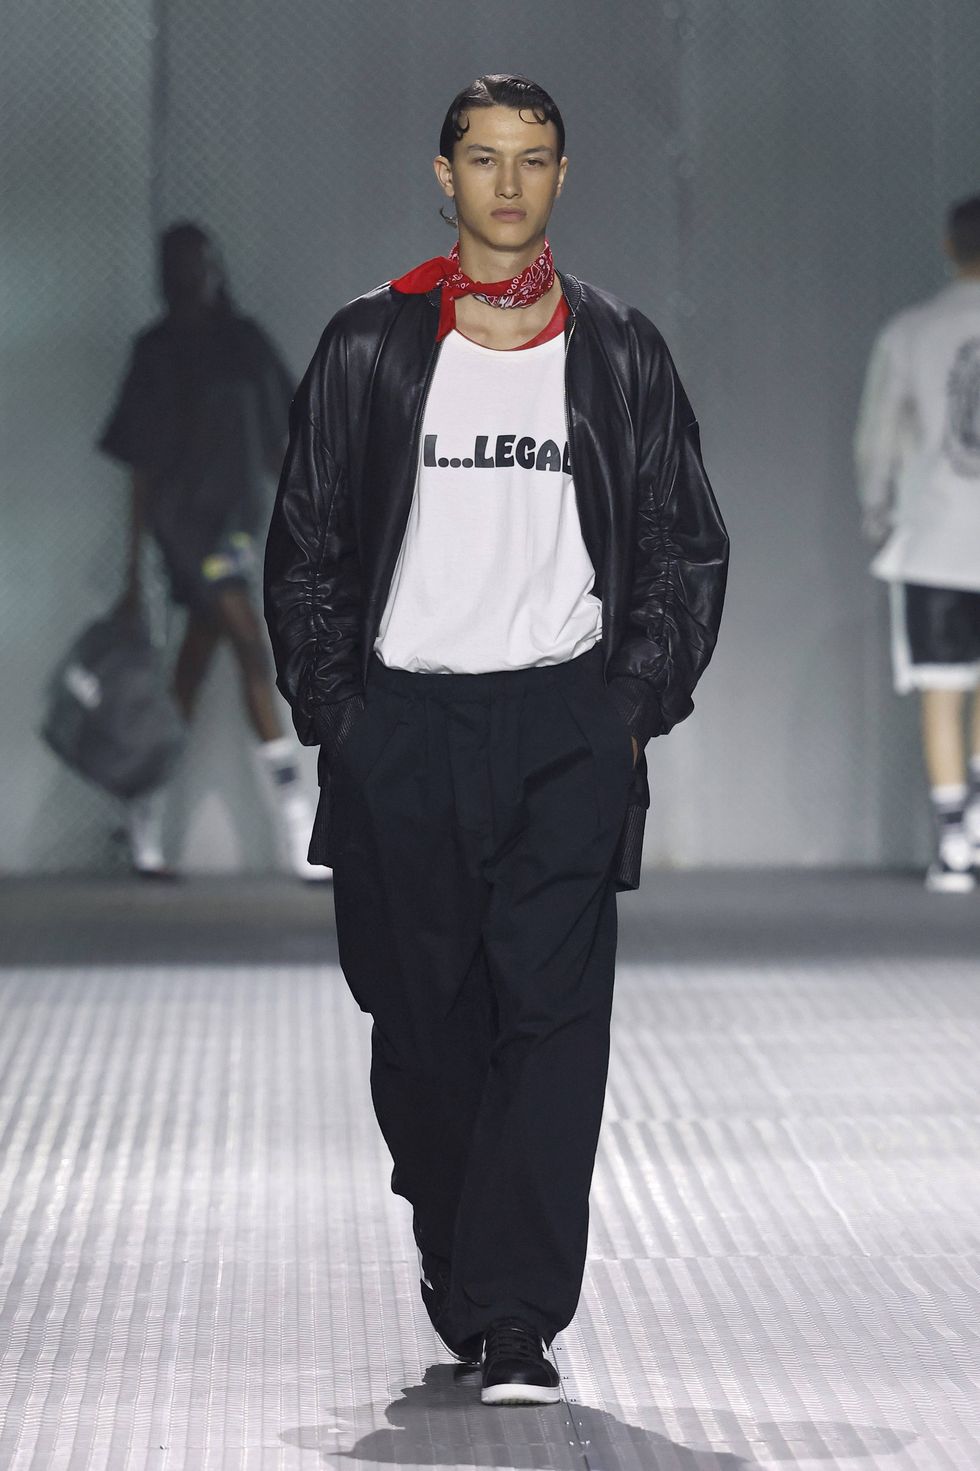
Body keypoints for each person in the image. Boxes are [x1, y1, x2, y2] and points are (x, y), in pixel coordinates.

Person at [264, 75, 728, 1403]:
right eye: (484, 158)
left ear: (562, 177)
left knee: (552, 1022)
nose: (509, 183)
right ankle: (457, 1237)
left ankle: (516, 1313)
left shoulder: (619, 351)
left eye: (533, 159)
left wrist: (626, 709)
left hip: (561, 724)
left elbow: (683, 543)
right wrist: (342, 719)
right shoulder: (369, 345)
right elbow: (307, 542)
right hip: (404, 724)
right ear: (444, 175)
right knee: (422, 1030)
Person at [98, 221, 324, 880]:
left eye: (199, 263)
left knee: (192, 669)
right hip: (182, 527)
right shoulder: (155, 351)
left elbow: (281, 436)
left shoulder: (243, 342)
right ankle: (297, 823)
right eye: (179, 265)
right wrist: (133, 568)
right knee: (251, 646)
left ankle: (142, 809)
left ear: (214, 267)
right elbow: (139, 466)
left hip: (235, 523)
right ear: (166, 274)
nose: (192, 275)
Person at [855, 194, 980, 894]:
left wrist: (878, 513)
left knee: (942, 691)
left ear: (949, 246)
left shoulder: (912, 332)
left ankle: (955, 847)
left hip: (935, 538)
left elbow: (878, 438)